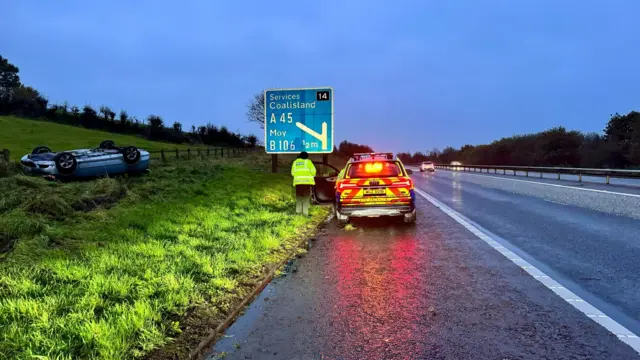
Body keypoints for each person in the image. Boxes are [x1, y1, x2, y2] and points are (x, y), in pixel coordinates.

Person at [291, 151, 316, 216]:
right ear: (306, 156)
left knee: (299, 198)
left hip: (298, 183)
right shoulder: (308, 162)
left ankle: (298, 213)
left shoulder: (295, 162)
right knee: (306, 198)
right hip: (306, 183)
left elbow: (293, 173)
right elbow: (313, 172)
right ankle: (305, 214)